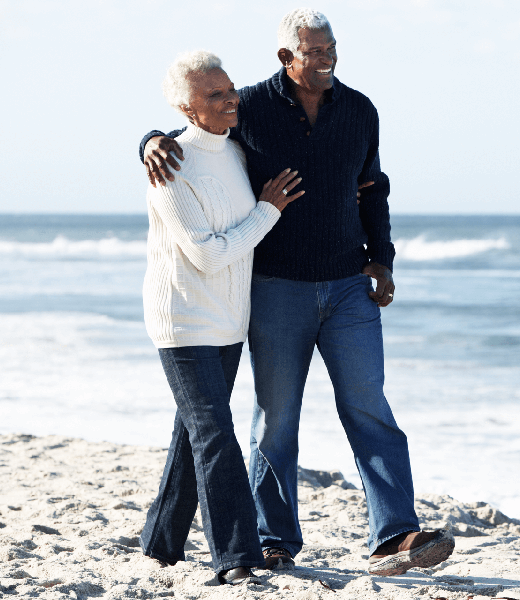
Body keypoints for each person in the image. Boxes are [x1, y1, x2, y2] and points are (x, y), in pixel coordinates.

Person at [140, 9, 455, 576]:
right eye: (314, 50)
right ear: (287, 57)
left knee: (369, 407)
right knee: (277, 419)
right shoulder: (250, 107)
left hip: (348, 287)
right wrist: (149, 139)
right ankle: (273, 538)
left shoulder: (360, 110)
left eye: (331, 46)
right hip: (275, 289)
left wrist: (381, 257)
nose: (328, 57)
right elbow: (198, 132)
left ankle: (395, 533)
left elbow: (373, 188)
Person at [139, 49, 304, 586]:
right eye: (214, 94)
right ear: (187, 108)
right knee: (215, 432)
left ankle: (161, 539)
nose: (231, 98)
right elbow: (208, 254)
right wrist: (269, 211)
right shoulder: (170, 166)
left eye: (230, 87)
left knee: (195, 430)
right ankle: (237, 554)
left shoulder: (236, 151)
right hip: (183, 321)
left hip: (229, 321)